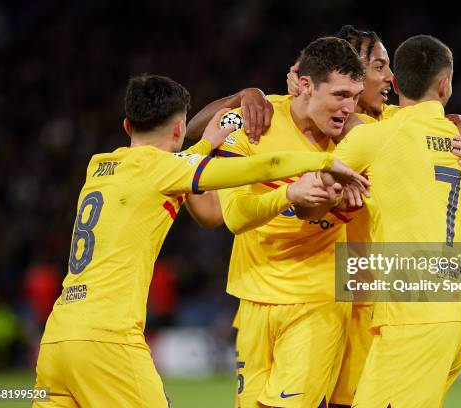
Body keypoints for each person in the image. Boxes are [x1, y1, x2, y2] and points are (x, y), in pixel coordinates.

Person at [32, 74, 367, 408]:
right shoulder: (164, 170)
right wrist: (325, 162)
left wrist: (205, 144)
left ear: (126, 126)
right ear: (179, 128)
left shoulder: (100, 166)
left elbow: (166, 170)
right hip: (106, 340)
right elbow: (266, 166)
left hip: (56, 340)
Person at [210, 36, 366, 408]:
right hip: (253, 300)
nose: (349, 107)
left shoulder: (358, 141)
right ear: (306, 86)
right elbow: (233, 215)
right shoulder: (253, 119)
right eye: (341, 95)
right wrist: (242, 94)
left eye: (356, 96)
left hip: (319, 302)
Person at [330, 35, 461, 408]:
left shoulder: (378, 137)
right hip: (451, 316)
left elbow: (318, 182)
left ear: (395, 82)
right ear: (445, 85)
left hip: (413, 321)